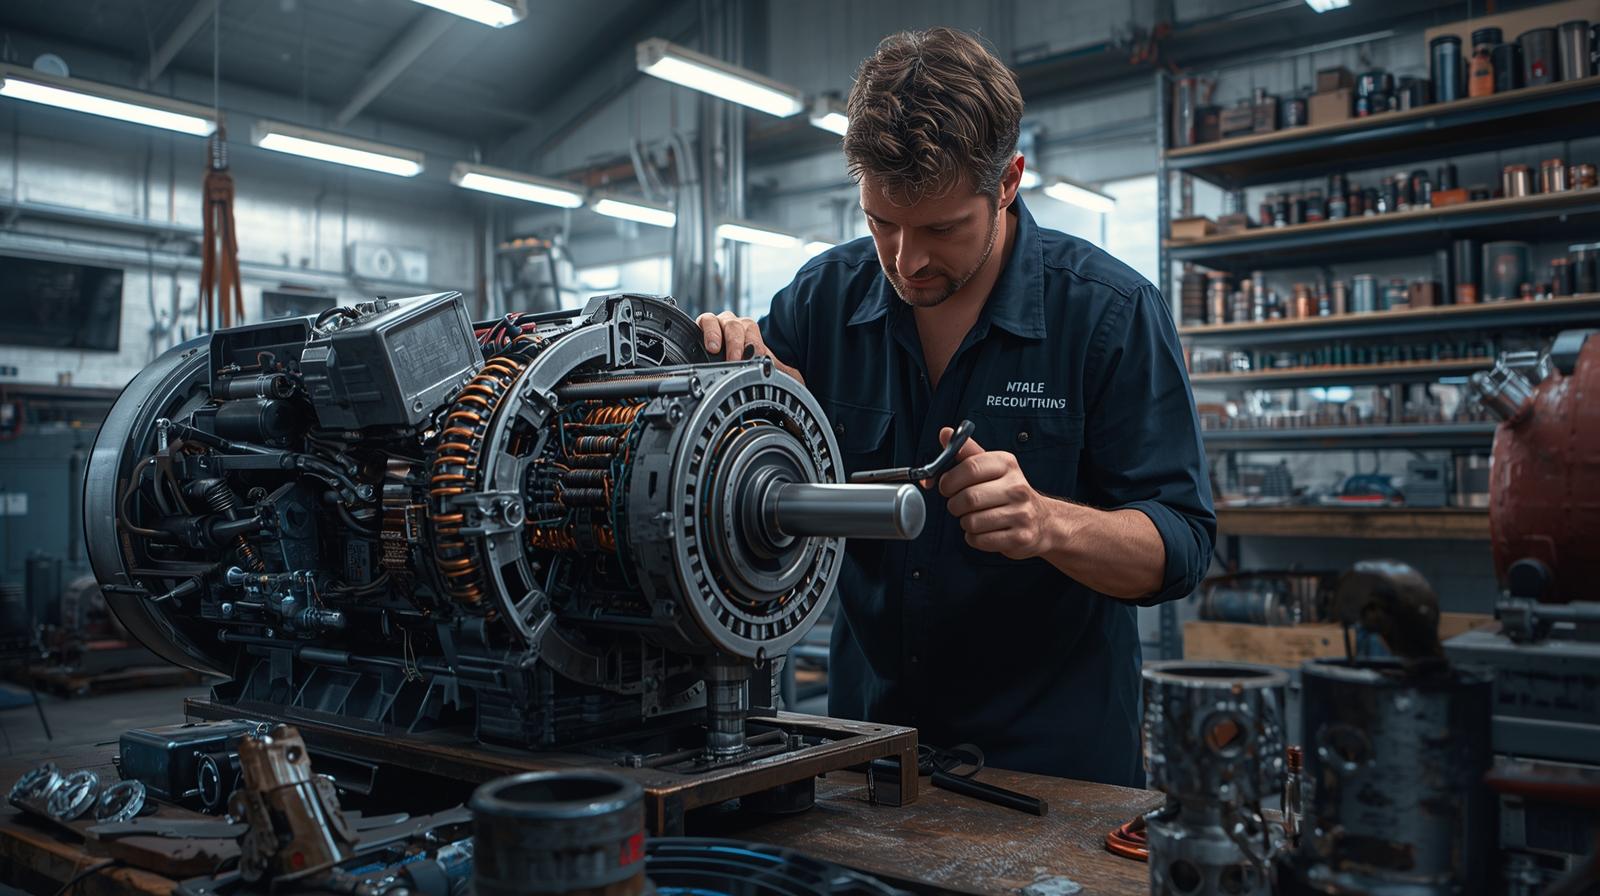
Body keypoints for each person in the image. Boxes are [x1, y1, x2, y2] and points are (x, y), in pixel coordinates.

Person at [696, 27, 1214, 786]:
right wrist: (733, 374)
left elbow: (1182, 546)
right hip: (862, 754)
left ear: (1007, 182)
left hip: (1052, 773)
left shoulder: (1110, 314)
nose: (906, 261)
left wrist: (1047, 522)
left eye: (941, 228)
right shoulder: (820, 300)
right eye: (881, 223)